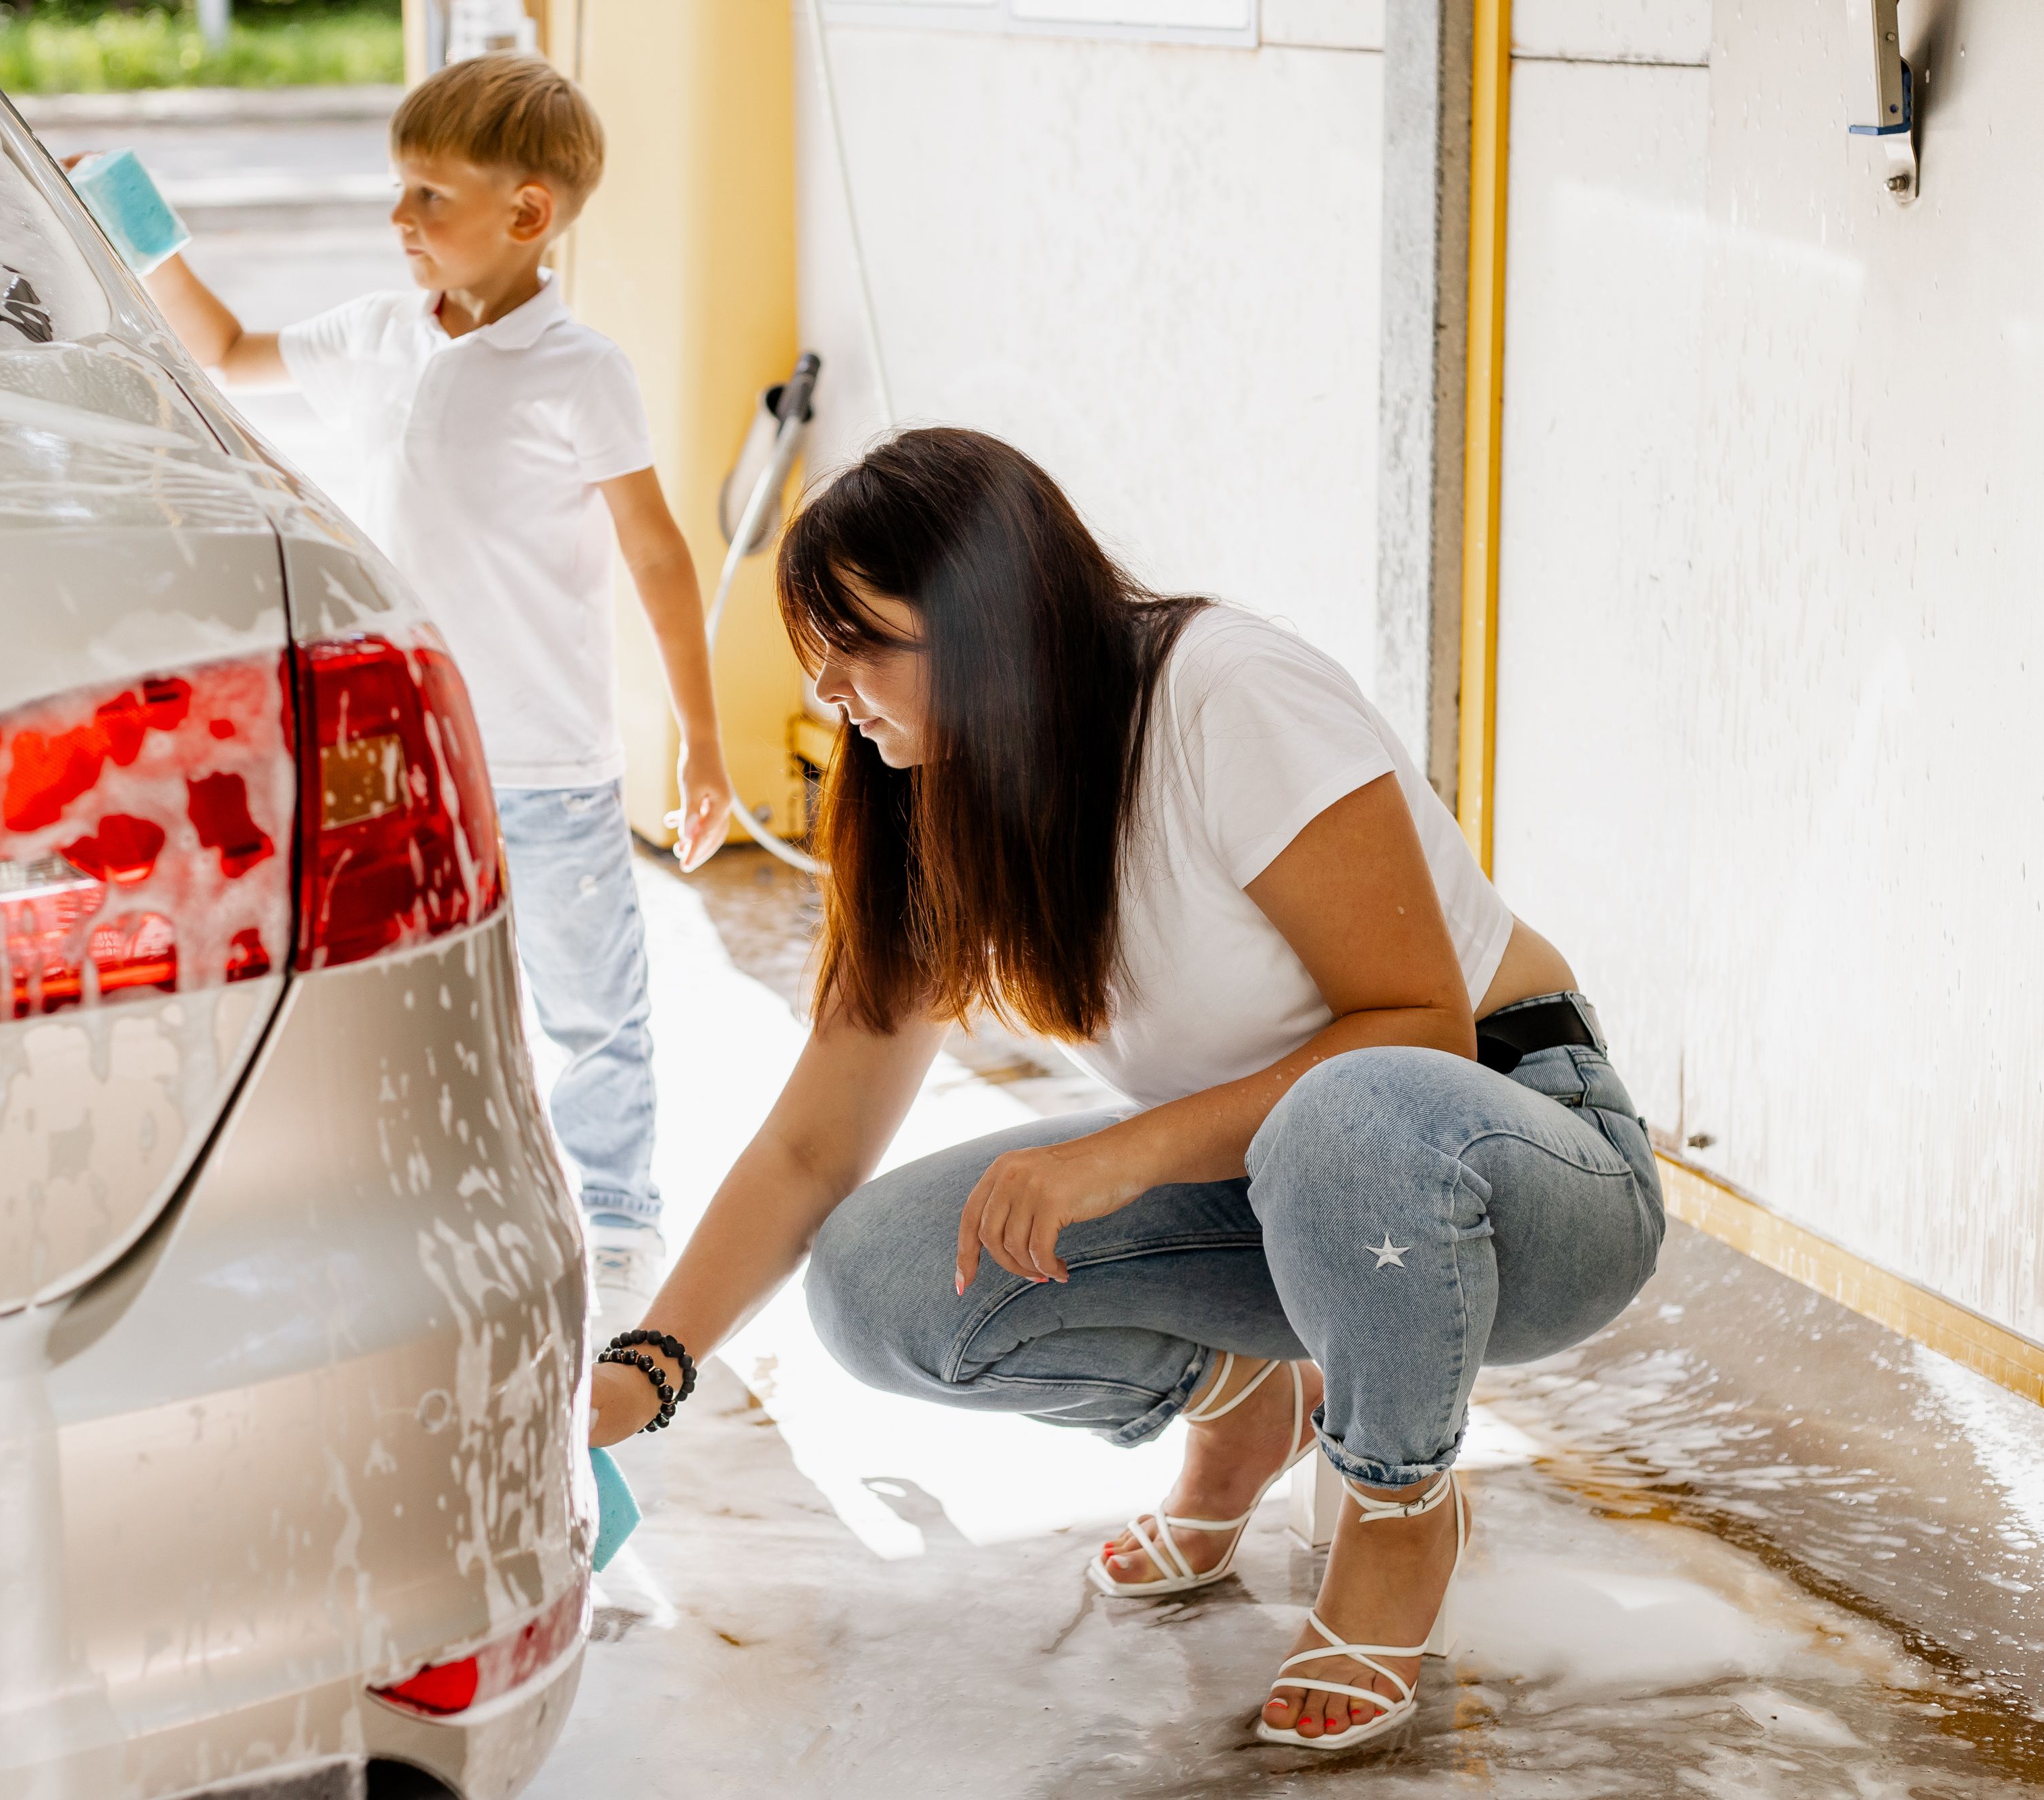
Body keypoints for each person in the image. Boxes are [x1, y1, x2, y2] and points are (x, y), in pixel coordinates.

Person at [587, 429, 1664, 1749]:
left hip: (1517, 1170)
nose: (826, 688)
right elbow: (816, 1146)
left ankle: (1393, 1511)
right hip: (1275, 1184)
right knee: (880, 1277)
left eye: (858, 642)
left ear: (987, 626)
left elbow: (1419, 1030)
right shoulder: (949, 797)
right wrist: (645, 1365)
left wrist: (1130, 1150)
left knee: (1352, 1111)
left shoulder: (1223, 692)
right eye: (818, 649)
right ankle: (1234, 1401)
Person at [132, 55, 730, 1315]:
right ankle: (429, 1184)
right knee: (394, 973)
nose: (397, 221)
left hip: (546, 759)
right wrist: (147, 238)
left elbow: (658, 553)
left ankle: (616, 1209)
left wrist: (705, 742)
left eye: (426, 196)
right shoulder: (374, 333)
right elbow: (231, 350)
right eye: (395, 192)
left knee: (589, 1004)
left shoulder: (580, 371)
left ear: (528, 214)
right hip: (393, 748)